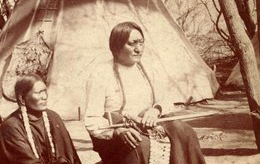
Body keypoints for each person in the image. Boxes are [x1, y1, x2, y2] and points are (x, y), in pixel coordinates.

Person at [84, 21, 206, 164]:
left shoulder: (148, 68)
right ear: (116, 46)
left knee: (186, 133)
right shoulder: (101, 74)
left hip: (148, 124)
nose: (138, 49)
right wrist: (117, 132)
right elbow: (92, 119)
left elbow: (166, 99)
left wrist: (155, 110)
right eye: (132, 44)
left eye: (141, 43)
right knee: (142, 145)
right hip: (118, 132)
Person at [0, 73, 81, 164]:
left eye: (45, 91)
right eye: (39, 93)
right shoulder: (11, 126)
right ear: (22, 98)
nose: (44, 97)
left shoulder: (53, 117)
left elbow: (70, 156)